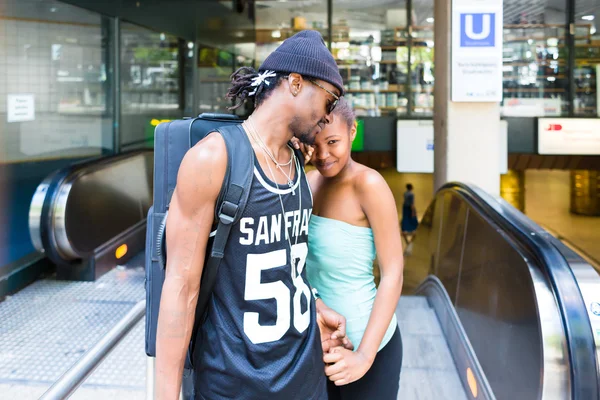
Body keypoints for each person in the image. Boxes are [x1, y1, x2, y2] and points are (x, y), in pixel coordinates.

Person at [154, 30, 353, 400]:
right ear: (295, 83)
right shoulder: (214, 160)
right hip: (234, 384)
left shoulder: (296, 160)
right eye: (329, 100)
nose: (328, 116)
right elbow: (180, 290)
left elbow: (285, 265)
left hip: (305, 379)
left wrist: (314, 307)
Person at [305, 98, 404, 400]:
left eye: (332, 142)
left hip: (369, 347)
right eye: (315, 144)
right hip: (315, 345)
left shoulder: (369, 184)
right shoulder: (308, 182)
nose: (323, 155)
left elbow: (393, 273)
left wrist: (364, 356)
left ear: (352, 131)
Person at [401, 183, 418, 251]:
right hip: (409, 208)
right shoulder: (411, 194)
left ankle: (405, 229)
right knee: (411, 218)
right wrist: (413, 211)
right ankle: (412, 228)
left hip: (405, 207)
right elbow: (412, 203)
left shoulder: (405, 193)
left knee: (406, 218)